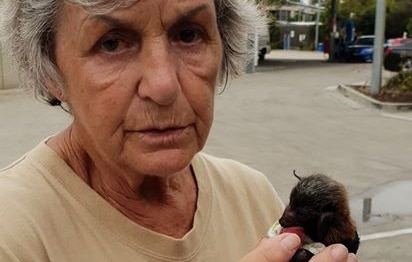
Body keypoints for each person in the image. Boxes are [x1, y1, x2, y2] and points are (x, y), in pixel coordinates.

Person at [0, 1, 358, 261]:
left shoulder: (251, 194)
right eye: (111, 42)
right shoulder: (13, 234)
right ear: (50, 70)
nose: (163, 84)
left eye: (189, 35)